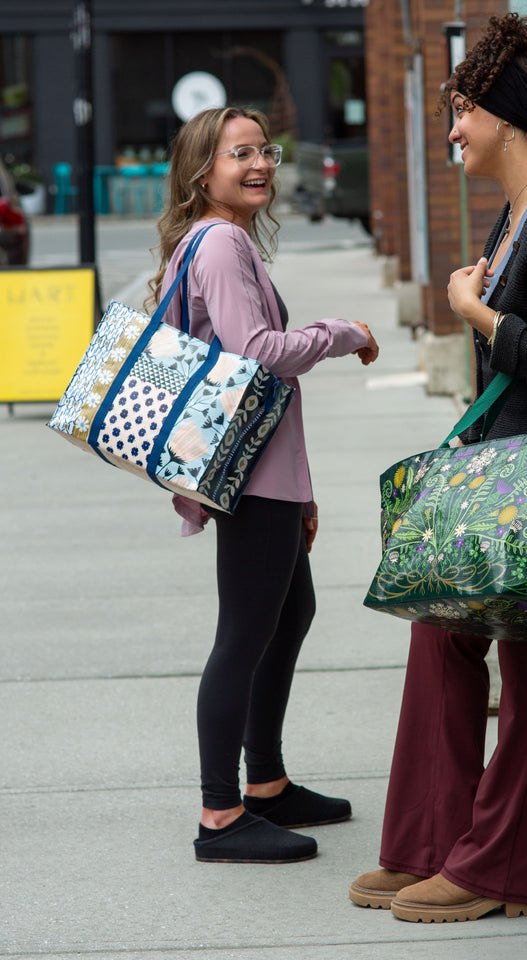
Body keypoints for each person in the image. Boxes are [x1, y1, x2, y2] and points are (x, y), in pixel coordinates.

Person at [350, 13, 527, 921]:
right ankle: (437, 841)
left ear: (507, 119)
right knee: (440, 630)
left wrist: (475, 313)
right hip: (501, 486)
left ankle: (502, 868)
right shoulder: (517, 218)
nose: (453, 131)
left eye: (464, 111)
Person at [147, 105, 379, 864]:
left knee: (289, 611)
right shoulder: (219, 243)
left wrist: (302, 491)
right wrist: (341, 333)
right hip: (250, 480)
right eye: (238, 153)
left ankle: (268, 784)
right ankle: (220, 813)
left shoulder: (224, 239)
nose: (259, 165)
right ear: (203, 170)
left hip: (266, 474)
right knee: (245, 633)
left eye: (265, 151)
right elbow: (259, 354)